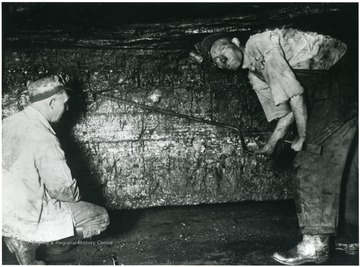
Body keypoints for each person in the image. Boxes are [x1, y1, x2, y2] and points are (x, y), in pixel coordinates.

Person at [192, 28, 358, 265]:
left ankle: (315, 245)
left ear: (236, 42)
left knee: (310, 159)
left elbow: (297, 96)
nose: (221, 60)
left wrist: (302, 137)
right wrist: (271, 144)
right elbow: (287, 110)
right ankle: (354, 236)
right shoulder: (255, 75)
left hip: (343, 75)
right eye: (216, 61)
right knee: (349, 161)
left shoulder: (259, 47)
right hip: (343, 85)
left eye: (221, 50)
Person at [2, 75, 110, 265]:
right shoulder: (43, 136)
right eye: (65, 103)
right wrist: (77, 199)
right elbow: (63, 190)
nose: (66, 108)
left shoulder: (7, 123)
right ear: (52, 102)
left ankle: (17, 236)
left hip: (4, 214)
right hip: (28, 214)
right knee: (100, 218)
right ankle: (38, 241)